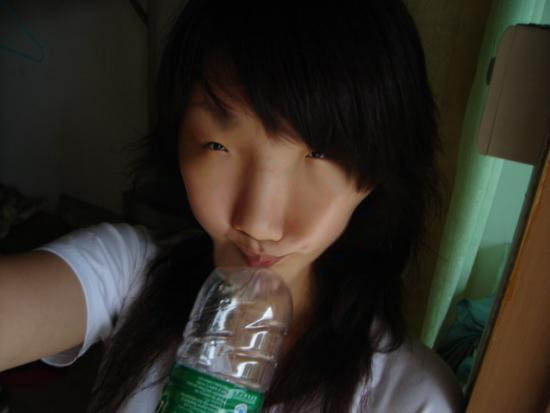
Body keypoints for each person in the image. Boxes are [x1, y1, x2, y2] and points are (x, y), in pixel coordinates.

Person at [0, 0, 464, 411]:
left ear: (377, 170)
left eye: (319, 155)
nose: (258, 222)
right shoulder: (130, 277)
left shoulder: (412, 398)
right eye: (218, 145)